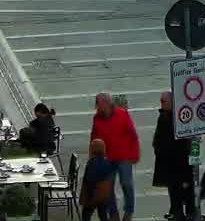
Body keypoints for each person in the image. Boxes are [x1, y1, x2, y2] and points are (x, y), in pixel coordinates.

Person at [89, 93, 141, 221]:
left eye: (98, 104)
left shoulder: (122, 114)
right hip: (107, 158)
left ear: (107, 103)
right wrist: (93, 157)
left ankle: (129, 211)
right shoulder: (97, 118)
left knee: (126, 183)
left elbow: (133, 135)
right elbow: (94, 138)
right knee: (108, 187)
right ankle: (113, 214)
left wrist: (135, 153)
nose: (96, 107)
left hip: (124, 156)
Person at [152, 92, 196, 221]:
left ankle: (189, 212)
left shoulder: (179, 115)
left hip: (182, 160)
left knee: (186, 187)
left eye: (163, 101)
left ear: (172, 102)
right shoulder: (164, 115)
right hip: (169, 161)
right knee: (174, 188)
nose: (161, 103)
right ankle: (177, 212)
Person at [81, 139, 118, 221]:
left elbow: (89, 180)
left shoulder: (91, 163)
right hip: (104, 195)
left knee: (86, 214)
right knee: (103, 214)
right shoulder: (107, 162)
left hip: (93, 195)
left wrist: (87, 197)